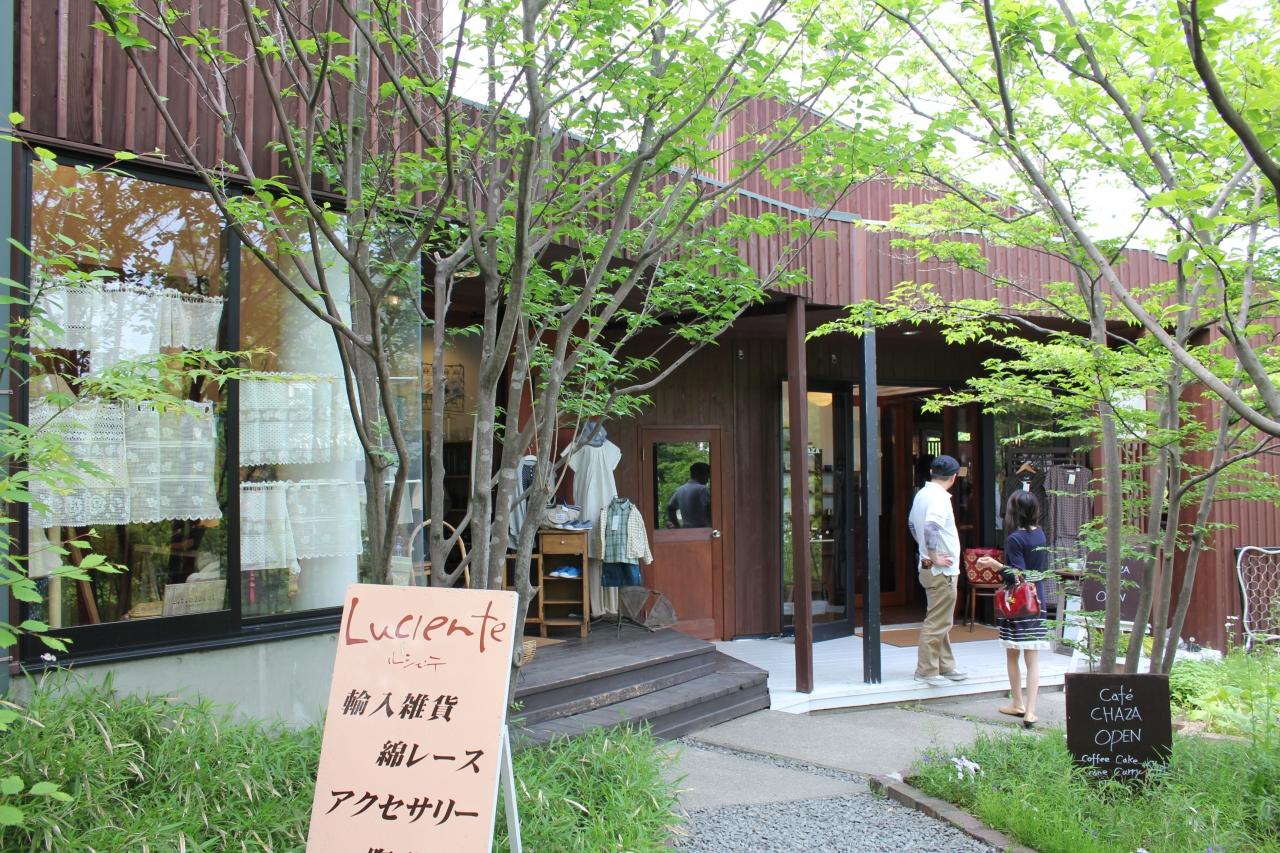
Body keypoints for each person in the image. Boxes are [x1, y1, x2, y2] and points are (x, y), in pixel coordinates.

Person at [978, 490, 1051, 728]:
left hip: (1018, 602)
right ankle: (1030, 711)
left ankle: (1018, 703)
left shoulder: (1014, 539)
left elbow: (1018, 575)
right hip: (1037, 598)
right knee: (1033, 658)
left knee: (1012, 654)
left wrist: (995, 564)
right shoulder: (1040, 534)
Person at [908, 454, 968, 686]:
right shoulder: (940, 498)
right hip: (940, 570)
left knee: (940, 618)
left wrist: (925, 550)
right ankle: (926, 670)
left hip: (928, 566)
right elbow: (931, 526)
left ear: (932, 472)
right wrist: (934, 555)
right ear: (954, 477)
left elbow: (912, 525)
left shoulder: (922, 494)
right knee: (937, 621)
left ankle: (945, 665)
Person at [666, 462, 711, 528]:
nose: (708, 479)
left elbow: (670, 507)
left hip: (687, 530)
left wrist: (676, 526)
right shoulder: (703, 489)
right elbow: (708, 509)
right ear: (702, 474)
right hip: (702, 530)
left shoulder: (680, 489)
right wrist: (710, 526)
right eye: (707, 475)